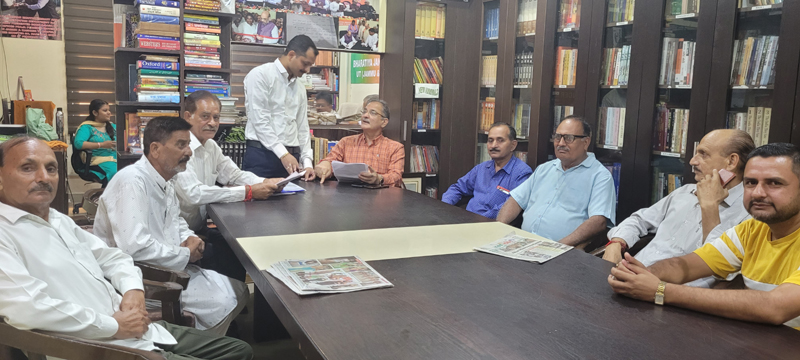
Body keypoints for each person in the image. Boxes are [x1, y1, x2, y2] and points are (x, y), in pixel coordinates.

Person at [0, 136, 252, 359]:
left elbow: (112, 257)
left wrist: (133, 290)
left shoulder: (57, 219)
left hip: (134, 325)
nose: (44, 178)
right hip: (99, 346)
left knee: (239, 350)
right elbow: (28, 308)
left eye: (51, 168)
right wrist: (113, 326)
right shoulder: (6, 233)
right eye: (27, 168)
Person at [608, 143, 800, 329]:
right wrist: (640, 276)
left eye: (774, 183)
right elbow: (685, 265)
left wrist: (660, 290)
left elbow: (775, 307)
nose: (758, 193)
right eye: (751, 183)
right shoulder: (752, 230)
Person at [94, 117, 248, 336]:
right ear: (155, 149)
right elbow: (135, 248)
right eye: (181, 145)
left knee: (239, 289)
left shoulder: (166, 179)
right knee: (225, 299)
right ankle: (195, 345)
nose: (189, 152)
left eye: (188, 144)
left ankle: (202, 342)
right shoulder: (132, 182)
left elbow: (175, 220)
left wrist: (191, 237)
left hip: (167, 266)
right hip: (140, 280)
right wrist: (185, 254)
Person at [604, 130, 754, 287]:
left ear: (731, 162)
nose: (692, 161)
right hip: (628, 277)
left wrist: (710, 206)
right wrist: (617, 243)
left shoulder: (749, 215)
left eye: (703, 154)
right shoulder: (685, 192)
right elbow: (639, 219)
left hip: (671, 293)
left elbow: (716, 262)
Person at [174, 91, 281, 281]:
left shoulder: (211, 146)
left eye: (216, 117)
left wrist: (264, 182)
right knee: (228, 253)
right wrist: (248, 192)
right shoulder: (179, 148)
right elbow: (194, 194)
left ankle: (238, 293)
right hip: (178, 233)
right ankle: (231, 292)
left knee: (238, 246)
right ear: (188, 116)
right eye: (205, 116)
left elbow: (234, 175)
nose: (212, 123)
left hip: (199, 227)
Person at [497, 115, 616, 247]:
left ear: (586, 142)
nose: (561, 143)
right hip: (523, 243)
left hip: (561, 250)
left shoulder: (600, 176)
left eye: (569, 138)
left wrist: (556, 247)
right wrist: (498, 229)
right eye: (558, 137)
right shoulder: (544, 169)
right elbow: (515, 200)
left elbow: (598, 221)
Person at [242, 35, 318, 180]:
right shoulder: (260, 75)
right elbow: (260, 121)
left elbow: (302, 126)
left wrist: (307, 162)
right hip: (262, 156)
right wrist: (283, 154)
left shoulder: (300, 87)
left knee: (296, 195)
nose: (307, 70)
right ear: (291, 55)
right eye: (305, 63)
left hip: (293, 159)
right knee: (257, 195)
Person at [442, 122, 532, 219]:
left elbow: (509, 208)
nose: (493, 145)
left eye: (500, 140)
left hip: (490, 224)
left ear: (513, 145)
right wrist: (444, 207)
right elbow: (457, 188)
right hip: (466, 219)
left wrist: (476, 220)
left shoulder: (522, 173)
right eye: (490, 140)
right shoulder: (481, 168)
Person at [314, 99, 404, 187]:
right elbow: (330, 161)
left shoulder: (395, 148)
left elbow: (396, 177)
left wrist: (379, 178)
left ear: (384, 122)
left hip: (380, 194)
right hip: (348, 193)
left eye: (372, 113)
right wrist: (325, 164)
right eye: (364, 111)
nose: (365, 115)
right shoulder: (346, 142)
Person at [73, 99, 117, 183]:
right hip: (97, 160)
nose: (109, 113)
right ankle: (110, 191)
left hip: (116, 158)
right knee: (116, 172)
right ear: (95, 113)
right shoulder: (87, 127)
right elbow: (78, 144)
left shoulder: (113, 127)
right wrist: (102, 145)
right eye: (105, 110)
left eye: (109, 110)